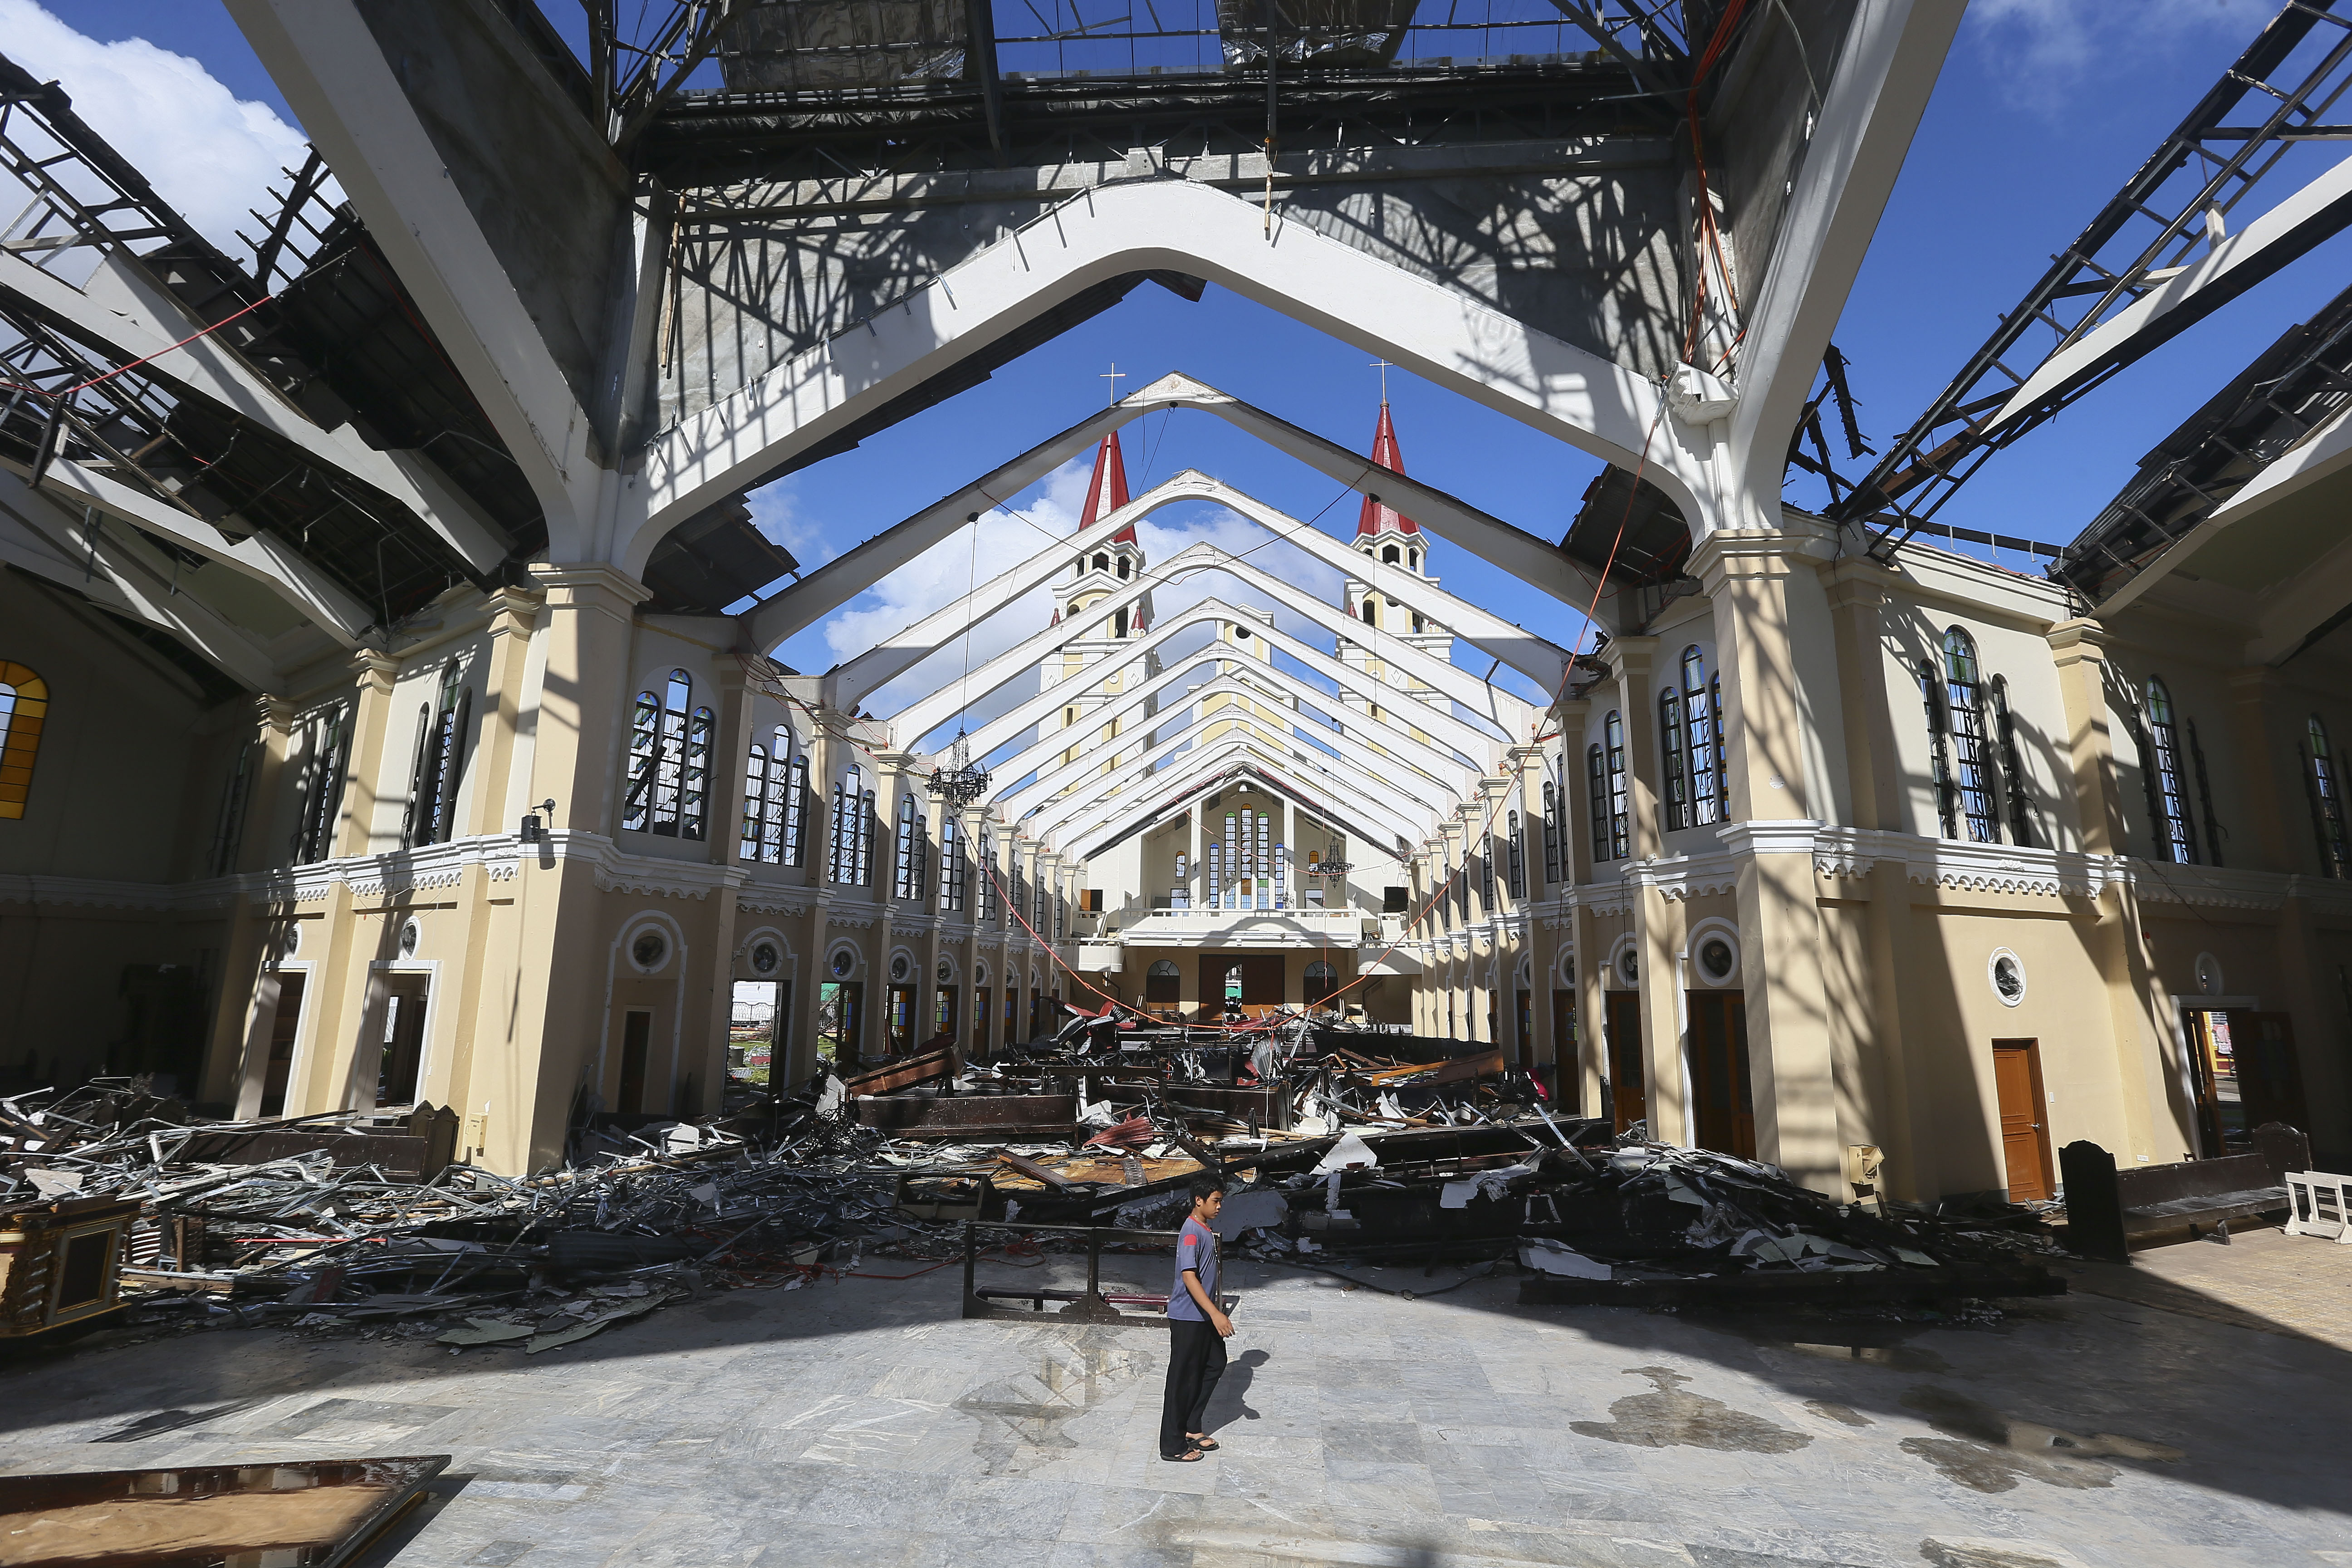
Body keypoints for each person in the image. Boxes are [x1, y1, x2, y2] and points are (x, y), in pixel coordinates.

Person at [1159, 1176, 1232, 1462]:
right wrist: (1216, 1314)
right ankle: (1172, 1445)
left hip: (1202, 1316)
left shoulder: (1205, 1230)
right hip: (1189, 1317)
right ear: (1198, 1201)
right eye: (1215, 1201)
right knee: (1182, 1380)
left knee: (1216, 1363)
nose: (1219, 1206)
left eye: (1221, 1201)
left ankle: (1191, 1427)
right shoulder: (1191, 1232)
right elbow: (1189, 1276)